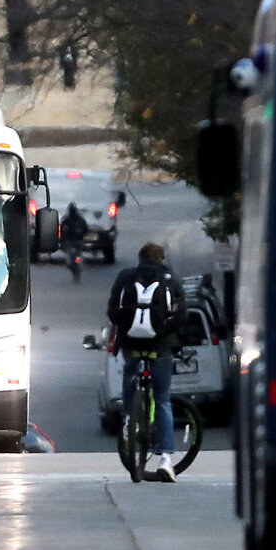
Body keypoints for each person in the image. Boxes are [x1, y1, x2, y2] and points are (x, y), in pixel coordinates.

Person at [107, 241, 186, 483]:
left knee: (130, 372)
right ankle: (165, 459)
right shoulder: (171, 278)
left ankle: (129, 418)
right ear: (162, 258)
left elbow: (112, 310)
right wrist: (164, 333)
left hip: (132, 344)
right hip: (160, 347)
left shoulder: (125, 276)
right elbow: (181, 314)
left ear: (140, 258)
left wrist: (126, 329)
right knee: (162, 400)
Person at [62, 203, 89, 281]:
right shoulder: (80, 219)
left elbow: (63, 231)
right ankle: (76, 263)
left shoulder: (66, 219)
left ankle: (73, 263)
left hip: (72, 241)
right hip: (75, 241)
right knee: (77, 255)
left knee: (72, 254)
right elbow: (86, 229)